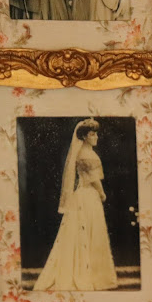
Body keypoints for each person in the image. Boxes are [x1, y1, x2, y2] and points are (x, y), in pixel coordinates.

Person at [33, 118, 118, 291]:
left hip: (82, 196)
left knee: (82, 233)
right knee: (89, 232)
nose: (96, 137)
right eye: (92, 134)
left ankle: (89, 274)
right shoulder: (88, 155)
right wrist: (102, 193)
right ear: (85, 137)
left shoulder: (82, 153)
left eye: (96, 134)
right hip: (89, 196)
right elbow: (93, 179)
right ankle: (89, 276)